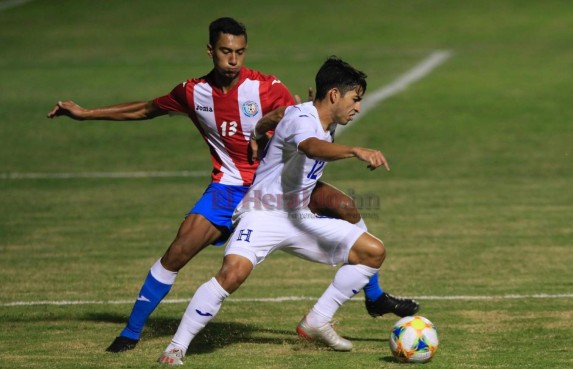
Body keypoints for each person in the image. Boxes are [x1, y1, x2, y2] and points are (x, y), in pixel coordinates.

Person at [47, 18, 418, 353]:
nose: (234, 60)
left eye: (240, 52)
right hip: (231, 187)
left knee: (349, 207)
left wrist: (263, 130)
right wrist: (85, 113)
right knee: (178, 253)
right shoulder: (193, 93)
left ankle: (372, 295)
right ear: (211, 50)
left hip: (277, 185)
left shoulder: (266, 86)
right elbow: (145, 109)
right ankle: (132, 331)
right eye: (226, 51)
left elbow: (291, 117)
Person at [158, 56, 408, 365]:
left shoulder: (308, 116)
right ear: (333, 95)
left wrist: (257, 134)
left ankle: (317, 321)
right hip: (261, 213)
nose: (358, 107)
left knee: (373, 252)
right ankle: (176, 347)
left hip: (298, 218)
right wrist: (355, 150)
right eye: (355, 99)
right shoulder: (304, 121)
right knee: (232, 274)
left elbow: (275, 115)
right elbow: (310, 147)